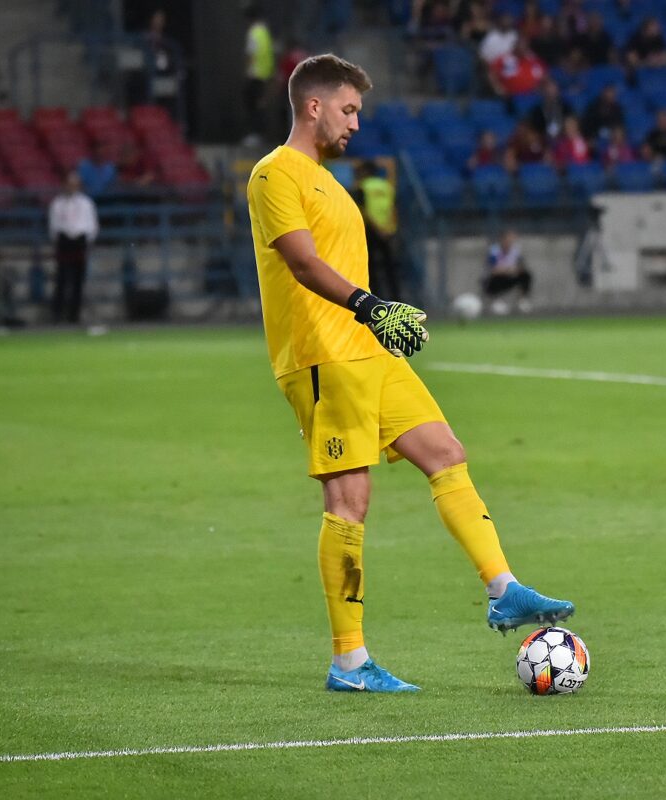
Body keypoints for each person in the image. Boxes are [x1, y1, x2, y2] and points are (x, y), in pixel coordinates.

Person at [246, 54, 573, 693]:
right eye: (349, 110)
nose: (356, 124)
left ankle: (503, 589)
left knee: (445, 451)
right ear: (313, 106)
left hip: (366, 352)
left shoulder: (330, 183)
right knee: (349, 500)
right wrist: (372, 307)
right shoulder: (274, 173)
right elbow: (302, 263)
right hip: (323, 356)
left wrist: (376, 318)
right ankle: (349, 663)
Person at [48, 170, 99, 324]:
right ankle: (57, 314)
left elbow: (91, 225)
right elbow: (54, 226)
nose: (72, 187)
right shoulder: (57, 203)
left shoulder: (86, 203)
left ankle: (74, 315)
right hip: (64, 241)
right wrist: (58, 241)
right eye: (69, 184)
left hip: (80, 241)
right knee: (61, 279)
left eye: (74, 184)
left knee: (78, 280)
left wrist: (87, 242)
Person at [354, 160, 402, 300]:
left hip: (370, 231)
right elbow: (394, 209)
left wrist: (378, 229)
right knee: (390, 267)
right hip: (388, 232)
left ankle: (375, 299)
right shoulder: (386, 186)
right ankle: (396, 299)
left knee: (371, 268)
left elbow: (363, 210)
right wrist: (390, 228)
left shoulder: (362, 187)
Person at [242, 5, 275, 148]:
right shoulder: (265, 32)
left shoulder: (253, 33)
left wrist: (247, 71)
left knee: (252, 105)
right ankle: (261, 134)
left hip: (254, 74)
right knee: (261, 104)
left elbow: (250, 54)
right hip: (265, 75)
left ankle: (255, 134)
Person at [483, 229, 534, 314]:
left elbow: (521, 267)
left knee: (526, 275)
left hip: (510, 277)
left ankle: (522, 300)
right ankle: (497, 301)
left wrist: (514, 270)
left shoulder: (515, 251)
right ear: (502, 239)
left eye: (512, 240)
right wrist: (507, 270)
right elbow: (492, 270)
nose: (510, 242)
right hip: (495, 279)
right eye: (508, 239)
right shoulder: (494, 251)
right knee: (496, 278)